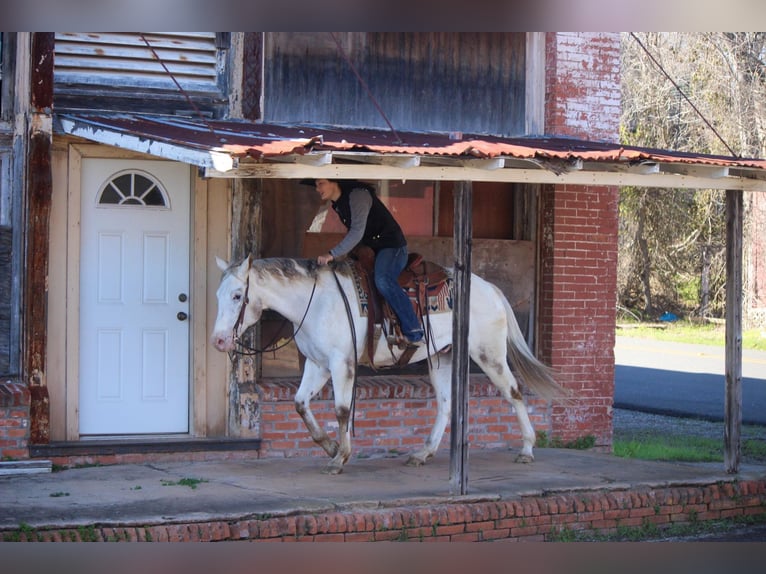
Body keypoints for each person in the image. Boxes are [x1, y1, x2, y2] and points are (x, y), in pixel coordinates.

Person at [307, 178, 424, 347]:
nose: (317, 189)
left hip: (391, 247)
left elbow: (357, 232)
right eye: (316, 185)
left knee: (383, 280)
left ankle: (414, 330)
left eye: (321, 183)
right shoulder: (338, 203)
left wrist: (332, 254)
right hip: (372, 248)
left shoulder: (358, 196)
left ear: (335, 181)